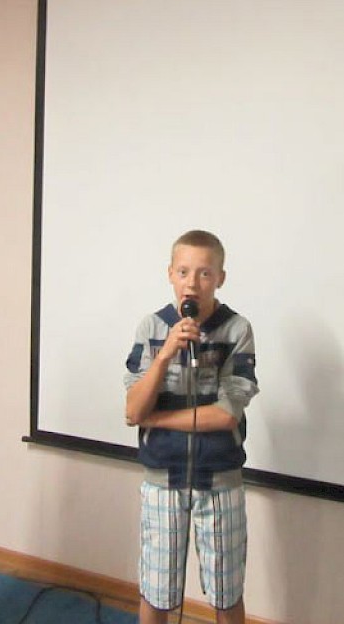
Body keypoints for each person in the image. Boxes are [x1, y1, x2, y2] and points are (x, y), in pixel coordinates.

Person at [124, 230, 259, 624]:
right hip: (162, 479)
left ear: (220, 278)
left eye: (204, 273)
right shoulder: (151, 327)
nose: (192, 283)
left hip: (219, 480)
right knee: (156, 591)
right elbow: (134, 409)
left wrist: (157, 419)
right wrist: (165, 354)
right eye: (183, 272)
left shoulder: (236, 329)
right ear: (170, 274)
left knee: (226, 592)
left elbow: (226, 415)